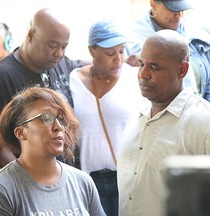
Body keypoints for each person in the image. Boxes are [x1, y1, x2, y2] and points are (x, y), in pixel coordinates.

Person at [0, 8, 88, 168]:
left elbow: (86, 65)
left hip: (67, 176)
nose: (58, 53)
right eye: (52, 45)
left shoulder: (61, 63)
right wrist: (27, 183)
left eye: (64, 47)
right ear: (31, 35)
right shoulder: (0, 77)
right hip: (31, 181)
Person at [117, 30, 210, 216]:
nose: (143, 74)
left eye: (154, 67)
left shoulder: (203, 122)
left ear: (182, 70)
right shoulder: (136, 115)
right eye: (141, 64)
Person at [0, 86, 106, 215]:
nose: (59, 127)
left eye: (61, 119)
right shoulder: (1, 189)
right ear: (21, 133)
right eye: (46, 118)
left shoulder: (82, 182)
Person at [70, 19, 142, 216]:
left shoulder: (135, 78)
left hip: (126, 178)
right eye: (110, 53)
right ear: (92, 51)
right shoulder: (73, 79)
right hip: (87, 181)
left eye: (122, 51)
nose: (118, 58)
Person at [126, 0, 210, 102]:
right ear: (153, 4)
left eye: (181, 9)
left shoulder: (197, 32)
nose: (178, 14)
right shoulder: (134, 41)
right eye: (172, 9)